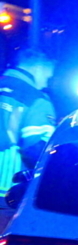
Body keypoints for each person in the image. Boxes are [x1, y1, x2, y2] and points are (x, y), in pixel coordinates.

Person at [1, 48, 57, 197]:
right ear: (38, 69)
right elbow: (37, 149)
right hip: (7, 189)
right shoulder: (36, 100)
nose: (45, 84)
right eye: (47, 78)